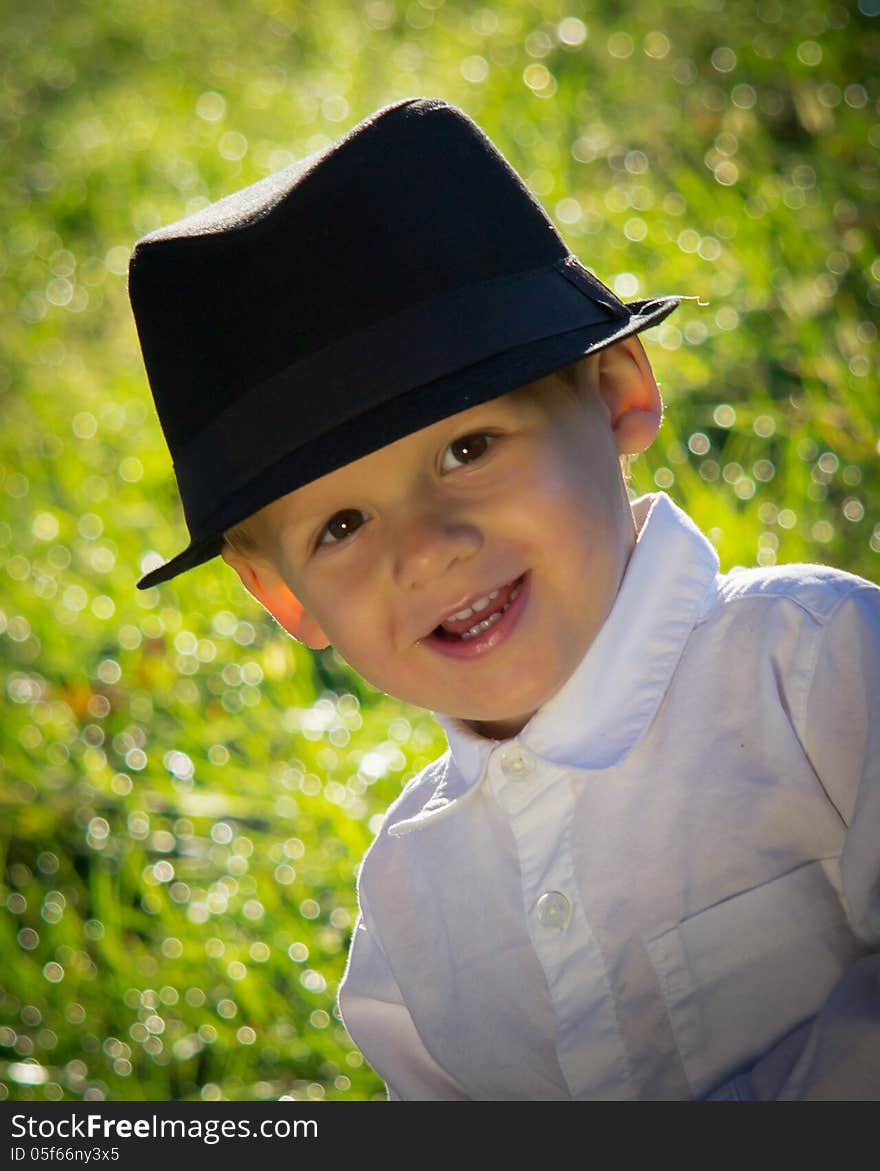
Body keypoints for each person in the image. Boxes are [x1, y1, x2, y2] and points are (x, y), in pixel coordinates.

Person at [128, 98, 880, 1100]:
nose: (429, 550)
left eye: (467, 448)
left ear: (616, 391)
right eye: (341, 527)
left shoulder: (818, 668)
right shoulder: (408, 905)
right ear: (282, 596)